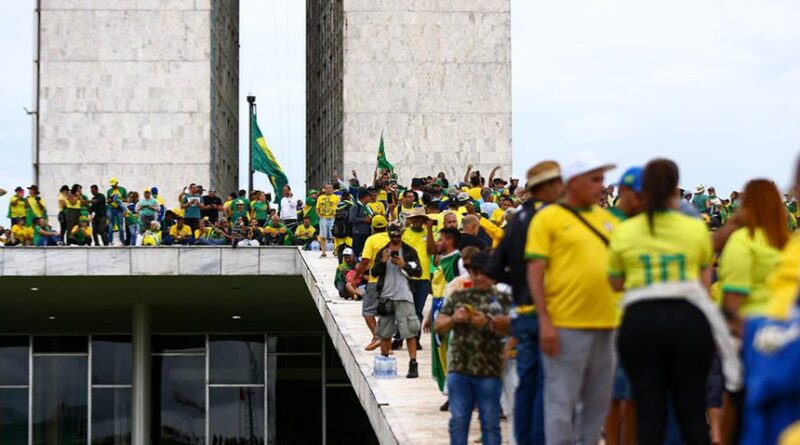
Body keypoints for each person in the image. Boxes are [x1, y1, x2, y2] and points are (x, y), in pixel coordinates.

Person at [609, 158, 739, 445]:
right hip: (686, 320)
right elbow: (704, 284)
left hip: (640, 321)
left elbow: (615, 282)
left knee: (649, 411)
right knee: (691, 410)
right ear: (674, 187)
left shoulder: (625, 231)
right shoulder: (694, 229)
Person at [526, 150, 618, 445]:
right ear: (574, 182)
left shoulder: (609, 221)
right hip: (566, 323)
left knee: (597, 402)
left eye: (602, 179)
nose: (601, 186)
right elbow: (535, 271)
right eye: (595, 179)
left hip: (608, 323)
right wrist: (544, 320)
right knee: (561, 401)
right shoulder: (548, 218)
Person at [488, 160, 563, 445]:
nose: (560, 187)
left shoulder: (516, 219)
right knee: (549, 384)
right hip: (550, 311)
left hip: (522, 310)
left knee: (526, 384)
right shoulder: (552, 217)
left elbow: (495, 268)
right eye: (556, 182)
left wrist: (517, 281)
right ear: (545, 186)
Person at [435, 251, 513, 445]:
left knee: (490, 423)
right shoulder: (459, 296)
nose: (478, 277)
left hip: (489, 370)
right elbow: (439, 324)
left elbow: (513, 327)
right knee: (459, 422)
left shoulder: (502, 298)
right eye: (474, 272)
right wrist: (454, 319)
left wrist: (487, 322)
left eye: (483, 272)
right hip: (459, 370)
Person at [719, 179, 789, 335]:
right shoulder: (788, 243)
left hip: (751, 329)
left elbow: (733, 298)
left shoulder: (743, 240)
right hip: (786, 325)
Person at [371, 221, 423, 378]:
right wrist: (382, 261)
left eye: (397, 234)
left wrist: (404, 264)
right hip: (386, 296)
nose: (395, 237)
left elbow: (418, 272)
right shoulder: (382, 251)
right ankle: (385, 362)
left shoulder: (409, 251)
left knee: (410, 331)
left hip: (404, 295)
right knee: (385, 332)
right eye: (392, 234)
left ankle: (413, 364)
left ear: (402, 234)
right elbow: (374, 272)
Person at [350, 215, 390, 351]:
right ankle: (387, 345)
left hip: (375, 280)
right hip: (392, 281)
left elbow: (365, 261)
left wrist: (356, 277)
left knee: (368, 311)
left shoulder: (371, 240)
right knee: (387, 313)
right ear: (386, 226)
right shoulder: (393, 238)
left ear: (372, 228)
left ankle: (377, 336)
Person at [316, 184, 340, 257]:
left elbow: (339, 207)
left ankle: (335, 251)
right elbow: (317, 208)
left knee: (335, 235)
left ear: (332, 189)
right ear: (324, 189)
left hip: (333, 217)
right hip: (324, 218)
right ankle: (323, 252)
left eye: (330, 188)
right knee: (323, 236)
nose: (328, 189)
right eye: (327, 188)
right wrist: (320, 216)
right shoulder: (320, 197)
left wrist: (337, 216)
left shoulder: (336, 197)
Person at [349, 188, 374, 257]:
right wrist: (364, 220)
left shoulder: (368, 207)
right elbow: (352, 219)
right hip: (358, 234)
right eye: (369, 196)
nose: (370, 198)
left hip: (368, 234)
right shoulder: (355, 207)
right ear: (364, 197)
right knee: (357, 253)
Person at [106, 178, 127, 243]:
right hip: (111, 208)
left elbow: (126, 200)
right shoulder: (109, 191)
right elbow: (107, 201)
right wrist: (112, 199)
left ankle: (122, 241)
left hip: (119, 209)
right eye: (112, 185)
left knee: (120, 226)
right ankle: (110, 241)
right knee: (110, 225)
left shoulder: (122, 189)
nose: (113, 186)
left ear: (117, 183)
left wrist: (119, 198)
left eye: (114, 184)